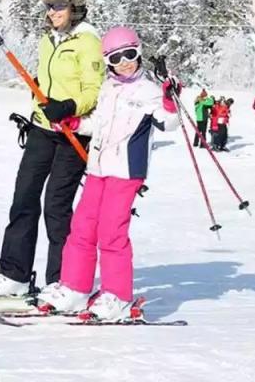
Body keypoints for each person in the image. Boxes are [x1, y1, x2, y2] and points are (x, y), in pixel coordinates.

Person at [36, 27, 180, 321]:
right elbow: (96, 124)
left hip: (126, 171)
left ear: (139, 52)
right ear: (107, 61)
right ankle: (75, 288)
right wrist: (74, 124)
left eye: (131, 54)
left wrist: (169, 99)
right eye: (116, 57)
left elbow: (169, 123)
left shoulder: (148, 91)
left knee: (111, 232)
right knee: (82, 227)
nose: (125, 62)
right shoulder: (107, 89)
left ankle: (118, 296)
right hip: (98, 168)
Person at [0, 0, 104, 298]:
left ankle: (62, 280)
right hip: (42, 128)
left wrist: (67, 106)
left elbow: (94, 91)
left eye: (60, 6)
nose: (53, 12)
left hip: (72, 133)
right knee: (23, 197)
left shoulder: (88, 41)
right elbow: (49, 80)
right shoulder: (47, 39)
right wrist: (42, 91)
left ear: (74, 7)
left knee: (56, 206)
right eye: (49, 6)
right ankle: (14, 274)